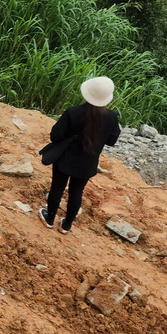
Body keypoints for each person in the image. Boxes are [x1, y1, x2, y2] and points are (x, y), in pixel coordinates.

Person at [39, 77, 121, 234]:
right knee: (77, 192)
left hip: (65, 158)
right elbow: (111, 141)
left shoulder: (73, 112)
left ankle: (49, 219)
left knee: (57, 187)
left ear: (87, 93)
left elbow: (55, 136)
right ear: (106, 97)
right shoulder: (111, 117)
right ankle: (66, 225)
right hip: (88, 162)